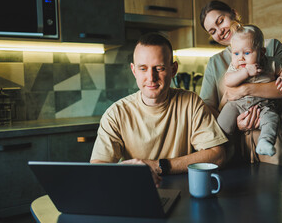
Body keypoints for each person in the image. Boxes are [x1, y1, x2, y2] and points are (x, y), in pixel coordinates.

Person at [90, 33, 230, 186]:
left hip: (184, 193)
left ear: (173, 69)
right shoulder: (115, 114)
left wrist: (158, 166)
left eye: (159, 68)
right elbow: (98, 169)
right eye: (143, 68)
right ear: (134, 70)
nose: (151, 77)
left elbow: (218, 156)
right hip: (134, 191)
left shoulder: (191, 102)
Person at [199, 0, 282, 166]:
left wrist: (245, 90)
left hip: (271, 141)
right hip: (232, 147)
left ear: (234, 13)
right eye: (213, 31)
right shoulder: (215, 62)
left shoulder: (271, 47)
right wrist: (236, 123)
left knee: (272, 189)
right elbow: (207, 108)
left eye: (220, 21)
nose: (220, 31)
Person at [217, 24, 282, 157]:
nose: (241, 58)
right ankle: (219, 144)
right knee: (222, 120)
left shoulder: (270, 63)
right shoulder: (236, 68)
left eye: (247, 53)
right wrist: (245, 72)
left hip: (263, 106)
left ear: (262, 53)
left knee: (272, 118)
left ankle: (265, 141)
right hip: (237, 105)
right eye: (236, 53)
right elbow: (228, 80)